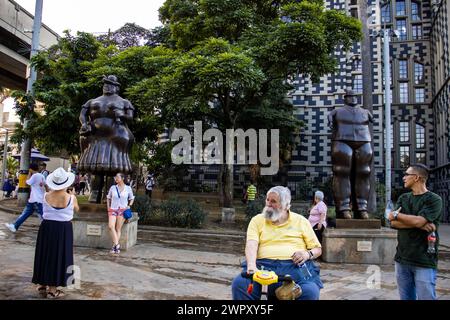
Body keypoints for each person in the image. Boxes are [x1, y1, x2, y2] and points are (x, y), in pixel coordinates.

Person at [232, 186, 323, 300]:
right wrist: (251, 266)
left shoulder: (301, 221)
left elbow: (318, 249)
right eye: (267, 200)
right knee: (240, 284)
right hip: (262, 267)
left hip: (295, 269)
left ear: (286, 206)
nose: (268, 204)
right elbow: (251, 244)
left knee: (310, 291)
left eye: (273, 201)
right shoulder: (257, 220)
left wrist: (306, 254)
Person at [388, 164, 443, 300]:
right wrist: (418, 223)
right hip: (402, 259)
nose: (404, 177)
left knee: (426, 297)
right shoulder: (404, 198)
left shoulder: (434, 199)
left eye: (407, 174)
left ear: (417, 177)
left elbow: (414, 221)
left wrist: (396, 214)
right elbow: (393, 223)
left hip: (424, 260)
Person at [32, 167, 79, 298]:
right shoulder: (71, 198)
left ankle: (41, 284)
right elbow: (77, 209)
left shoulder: (46, 195)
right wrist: (72, 194)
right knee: (59, 256)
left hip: (47, 228)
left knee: (44, 253)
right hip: (63, 229)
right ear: (67, 182)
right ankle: (52, 290)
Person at [328, 89, 373, 219]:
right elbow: (331, 122)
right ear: (345, 98)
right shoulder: (336, 112)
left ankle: (362, 207)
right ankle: (343, 208)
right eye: (349, 97)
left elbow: (372, 120)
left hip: (363, 141)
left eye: (354, 97)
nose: (352, 99)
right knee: (341, 172)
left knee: (364, 173)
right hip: (342, 140)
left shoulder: (366, 112)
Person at [78, 75, 135, 174]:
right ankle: (95, 190)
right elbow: (82, 114)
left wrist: (121, 114)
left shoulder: (124, 102)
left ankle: (112, 188)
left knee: (114, 169)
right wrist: (84, 124)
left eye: (110, 84)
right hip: (95, 135)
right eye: (105, 84)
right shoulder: (92, 101)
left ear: (116, 88)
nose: (107, 86)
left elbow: (130, 117)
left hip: (115, 134)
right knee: (94, 168)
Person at [5, 163, 45, 233]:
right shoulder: (42, 175)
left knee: (41, 216)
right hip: (36, 199)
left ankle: (48, 229)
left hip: (35, 200)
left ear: (31, 169)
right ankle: (14, 225)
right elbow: (46, 185)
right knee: (26, 214)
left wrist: (29, 174)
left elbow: (27, 183)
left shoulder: (34, 176)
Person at [106, 172, 135, 254]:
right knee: (111, 226)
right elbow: (108, 198)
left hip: (123, 210)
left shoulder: (128, 188)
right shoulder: (113, 187)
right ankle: (117, 244)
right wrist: (108, 207)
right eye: (115, 177)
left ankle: (114, 247)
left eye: (117, 177)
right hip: (113, 209)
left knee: (118, 229)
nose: (116, 178)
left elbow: (132, 198)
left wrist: (129, 205)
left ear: (122, 178)